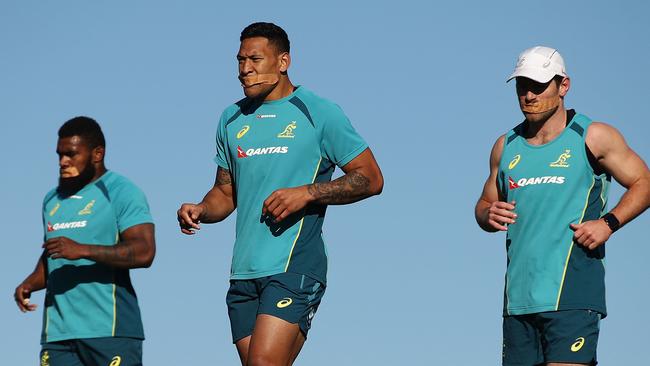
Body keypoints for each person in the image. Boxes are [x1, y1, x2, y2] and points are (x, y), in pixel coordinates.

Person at [177, 22, 383, 365]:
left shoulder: (318, 112)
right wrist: (200, 208)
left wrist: (307, 193)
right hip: (243, 274)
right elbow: (226, 193)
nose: (245, 70)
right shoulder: (231, 120)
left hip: (295, 265)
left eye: (255, 59)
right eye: (240, 60)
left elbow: (371, 178)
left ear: (283, 61)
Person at [475, 46, 650, 366]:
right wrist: (488, 214)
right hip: (518, 302)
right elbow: (485, 204)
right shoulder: (505, 146)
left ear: (563, 86)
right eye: (521, 86)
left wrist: (609, 223)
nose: (529, 95)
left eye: (539, 86)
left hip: (572, 294)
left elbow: (644, 182)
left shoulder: (593, 136)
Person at [14, 117, 156, 366]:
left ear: (97, 154)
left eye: (71, 154)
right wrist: (29, 283)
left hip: (110, 332)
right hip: (57, 335)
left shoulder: (122, 191)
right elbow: (53, 255)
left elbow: (145, 252)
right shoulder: (52, 199)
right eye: (59, 155)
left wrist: (81, 250)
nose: (62, 162)